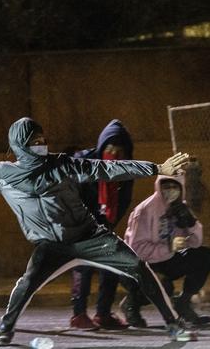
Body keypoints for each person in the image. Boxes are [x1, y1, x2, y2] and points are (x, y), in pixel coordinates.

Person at [0, 118, 196, 346]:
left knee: (137, 267)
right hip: (50, 245)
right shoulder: (2, 174)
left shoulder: (61, 164)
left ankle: (173, 322)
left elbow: (104, 169)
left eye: (43, 138)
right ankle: (5, 329)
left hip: (89, 236)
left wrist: (156, 167)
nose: (41, 143)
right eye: (34, 140)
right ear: (20, 144)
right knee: (28, 282)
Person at [121, 174, 210, 327]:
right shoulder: (145, 209)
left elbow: (196, 243)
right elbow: (136, 250)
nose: (170, 191)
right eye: (166, 186)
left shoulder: (180, 207)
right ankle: (131, 303)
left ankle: (183, 303)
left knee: (204, 256)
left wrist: (191, 224)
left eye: (174, 187)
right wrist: (170, 247)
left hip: (165, 258)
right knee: (164, 287)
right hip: (138, 266)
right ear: (159, 187)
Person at [69, 119, 134, 330]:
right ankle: (79, 314)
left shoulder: (126, 171)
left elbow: (123, 201)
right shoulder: (84, 164)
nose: (113, 152)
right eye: (109, 147)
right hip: (79, 224)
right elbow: (71, 196)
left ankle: (103, 314)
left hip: (104, 224)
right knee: (83, 264)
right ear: (101, 147)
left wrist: (107, 224)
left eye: (118, 149)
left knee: (113, 262)